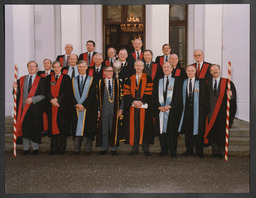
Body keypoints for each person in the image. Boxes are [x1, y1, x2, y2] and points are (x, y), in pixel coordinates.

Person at [204, 64, 237, 158]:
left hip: (222, 112)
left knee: (222, 132)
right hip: (210, 112)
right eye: (212, 70)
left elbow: (233, 98)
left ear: (219, 70)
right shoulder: (207, 82)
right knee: (213, 132)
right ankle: (214, 152)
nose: (214, 71)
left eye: (216, 69)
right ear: (210, 72)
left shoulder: (227, 82)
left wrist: (231, 95)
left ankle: (221, 152)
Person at [13, 61, 45, 155]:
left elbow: (44, 95)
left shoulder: (42, 80)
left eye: (33, 66)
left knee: (35, 128)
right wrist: (15, 88)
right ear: (27, 68)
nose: (31, 68)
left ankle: (35, 148)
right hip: (24, 109)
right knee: (25, 128)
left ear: (36, 68)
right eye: (30, 66)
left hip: (36, 109)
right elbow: (17, 94)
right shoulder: (22, 79)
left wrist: (33, 99)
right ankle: (26, 148)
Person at [123, 60, 154, 157]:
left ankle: (146, 150)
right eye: (137, 65)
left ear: (143, 67)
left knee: (145, 128)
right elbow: (126, 93)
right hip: (133, 107)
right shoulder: (129, 79)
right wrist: (133, 101)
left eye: (141, 65)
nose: (139, 67)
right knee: (134, 128)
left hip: (144, 107)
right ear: (135, 67)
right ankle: (134, 149)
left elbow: (149, 92)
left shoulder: (148, 78)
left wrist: (141, 101)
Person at [178, 64, 209, 158]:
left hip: (198, 111)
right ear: (186, 72)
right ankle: (189, 150)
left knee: (199, 131)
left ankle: (199, 151)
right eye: (188, 71)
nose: (190, 72)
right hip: (187, 110)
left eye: (192, 71)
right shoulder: (183, 82)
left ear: (195, 72)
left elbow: (206, 97)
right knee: (188, 131)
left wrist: (204, 111)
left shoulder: (201, 82)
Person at [152, 62, 181, 158]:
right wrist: (158, 106)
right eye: (164, 67)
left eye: (168, 67)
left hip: (172, 110)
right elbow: (154, 95)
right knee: (162, 131)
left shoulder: (176, 80)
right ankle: (163, 150)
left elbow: (178, 96)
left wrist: (170, 106)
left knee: (172, 132)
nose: (166, 69)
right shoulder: (158, 80)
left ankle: (173, 152)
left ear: (172, 68)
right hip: (160, 110)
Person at [70, 60, 97, 155]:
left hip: (87, 109)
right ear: (78, 68)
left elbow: (92, 95)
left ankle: (87, 149)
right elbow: (71, 95)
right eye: (80, 67)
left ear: (87, 68)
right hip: (76, 108)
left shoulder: (92, 80)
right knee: (76, 128)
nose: (81, 68)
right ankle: (76, 149)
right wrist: (77, 104)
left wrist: (84, 105)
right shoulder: (73, 80)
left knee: (87, 129)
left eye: (83, 66)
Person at [96, 66, 124, 155]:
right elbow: (97, 98)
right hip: (104, 109)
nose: (109, 73)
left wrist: (121, 109)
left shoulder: (118, 82)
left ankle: (113, 148)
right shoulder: (100, 83)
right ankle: (104, 148)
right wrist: (98, 111)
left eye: (111, 71)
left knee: (113, 129)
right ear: (104, 72)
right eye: (108, 71)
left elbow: (122, 97)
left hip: (115, 109)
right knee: (104, 130)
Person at [45, 61, 71, 155]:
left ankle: (61, 149)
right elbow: (46, 91)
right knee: (52, 127)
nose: (56, 69)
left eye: (58, 67)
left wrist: (58, 100)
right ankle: (53, 149)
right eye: (54, 67)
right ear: (53, 68)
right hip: (51, 106)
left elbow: (67, 92)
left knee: (62, 127)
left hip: (62, 106)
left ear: (61, 68)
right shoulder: (48, 78)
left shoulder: (66, 78)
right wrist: (51, 100)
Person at [37, 59, 54, 136]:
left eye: (48, 63)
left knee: (51, 115)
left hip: (51, 97)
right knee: (42, 115)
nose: (46, 65)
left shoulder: (54, 72)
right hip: (42, 97)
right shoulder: (39, 73)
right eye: (45, 63)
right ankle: (43, 129)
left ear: (51, 64)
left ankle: (50, 130)